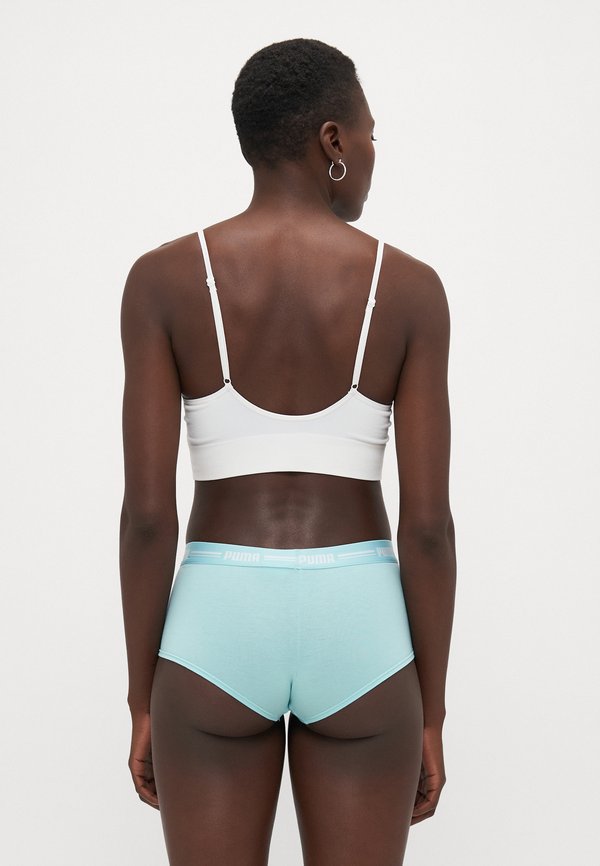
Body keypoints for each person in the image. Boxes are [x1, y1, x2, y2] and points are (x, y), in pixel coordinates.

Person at [119, 37, 456, 866]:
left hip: (215, 624)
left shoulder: (162, 281)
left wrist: (142, 699)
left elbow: (149, 519)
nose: (373, 151)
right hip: (361, 625)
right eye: (369, 132)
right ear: (332, 140)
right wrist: (433, 711)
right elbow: (427, 529)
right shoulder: (411, 290)